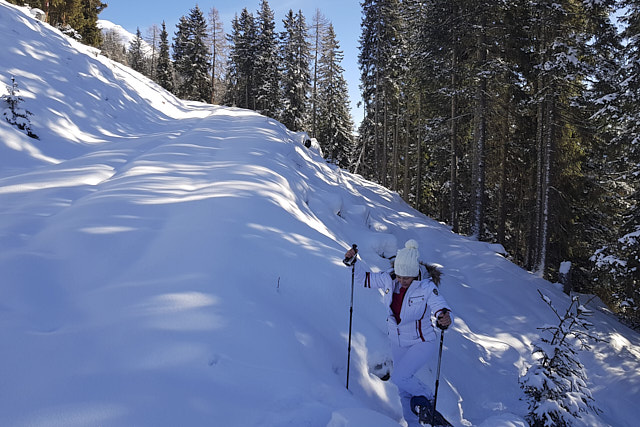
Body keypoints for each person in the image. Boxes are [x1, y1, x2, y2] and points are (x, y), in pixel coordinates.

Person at [344, 239, 452, 427]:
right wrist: (354, 262)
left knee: (400, 377)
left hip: (421, 341)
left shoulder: (425, 287)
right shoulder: (389, 278)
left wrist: (443, 316)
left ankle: (428, 399)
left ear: (415, 274)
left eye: (407, 278)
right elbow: (365, 279)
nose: (402, 281)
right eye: (400, 276)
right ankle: (414, 424)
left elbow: (438, 304)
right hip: (398, 341)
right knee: (403, 390)